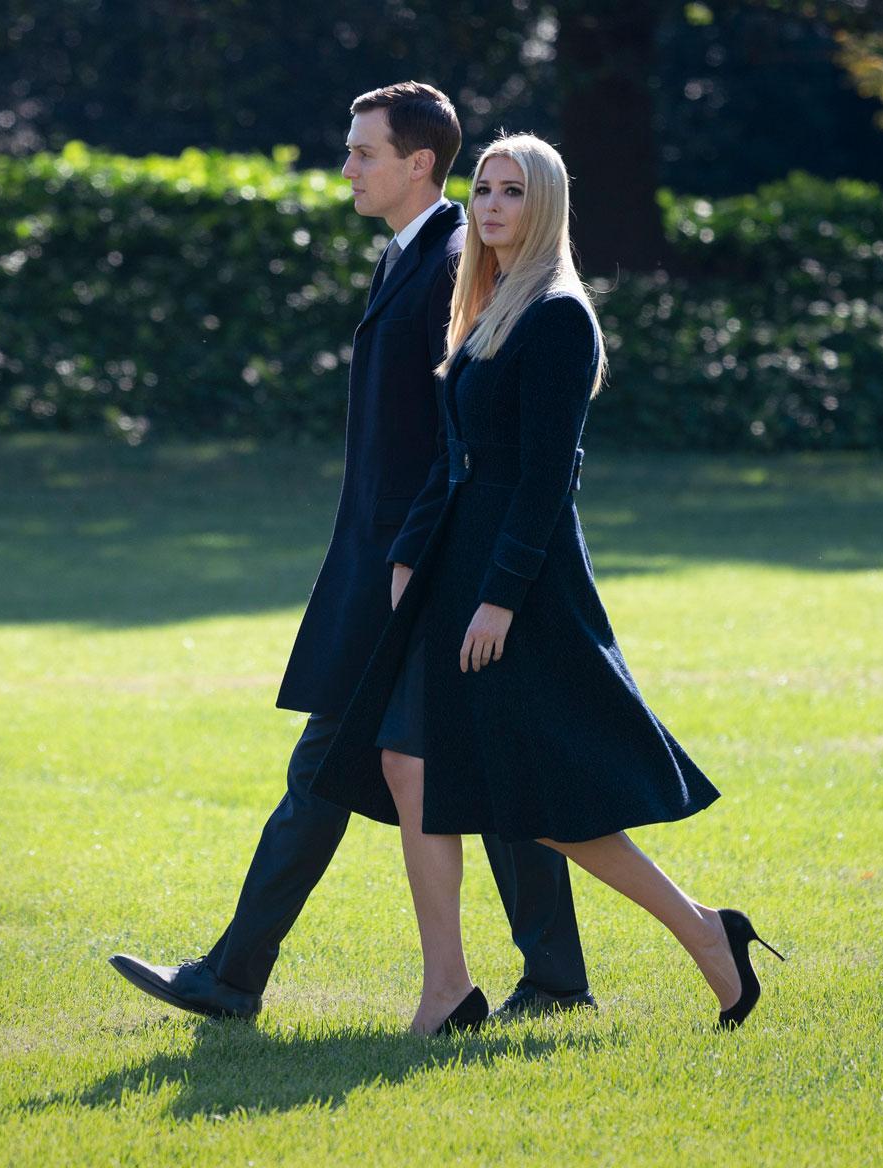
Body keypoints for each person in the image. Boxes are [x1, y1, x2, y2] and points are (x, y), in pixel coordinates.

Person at [110, 87, 597, 1023]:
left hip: (412, 575)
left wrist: (429, 568)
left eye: (363, 153)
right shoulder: (410, 257)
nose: (347, 168)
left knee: (350, 763)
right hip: (388, 565)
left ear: (419, 162)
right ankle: (556, 977)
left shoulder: (461, 259)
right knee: (444, 761)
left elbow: (478, 443)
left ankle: (234, 974)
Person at [312, 133, 784, 1035]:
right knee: (407, 763)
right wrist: (412, 555)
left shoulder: (560, 314)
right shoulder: (483, 303)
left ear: (548, 206)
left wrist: (499, 596)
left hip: (518, 582)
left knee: (547, 806)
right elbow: (455, 456)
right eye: (483, 189)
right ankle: (446, 990)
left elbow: (544, 477)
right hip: (454, 565)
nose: (489, 206)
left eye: (512, 192)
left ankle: (705, 931)